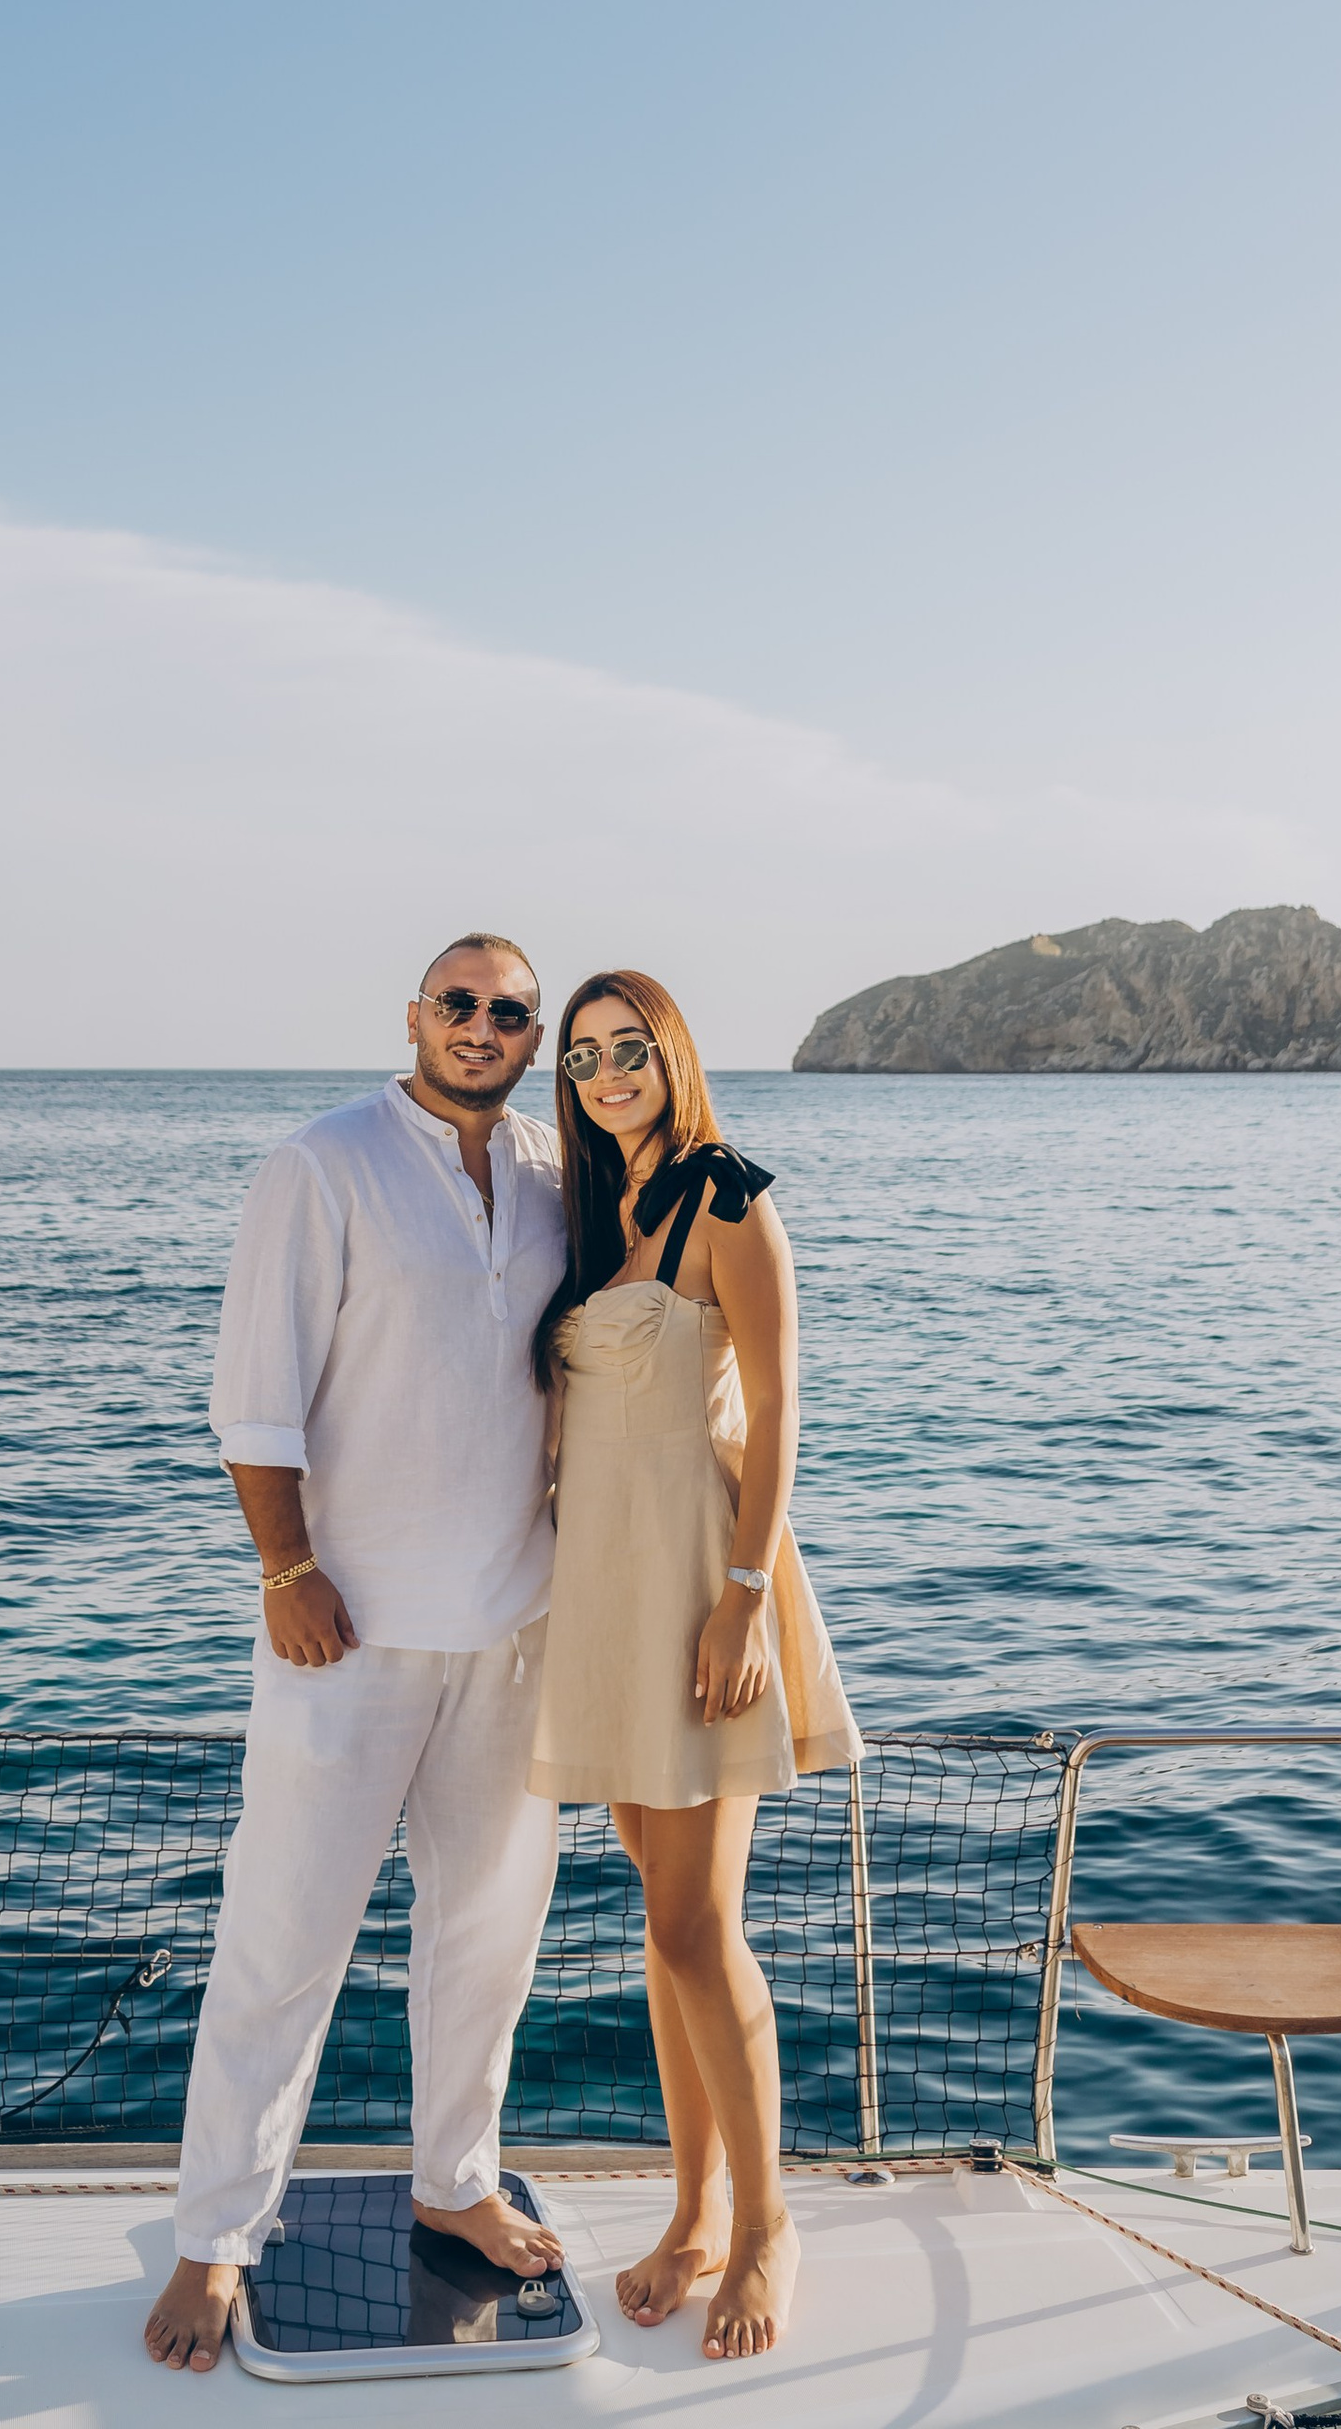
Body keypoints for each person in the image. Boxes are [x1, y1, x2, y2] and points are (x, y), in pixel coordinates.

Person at [143, 936, 572, 2375]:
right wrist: (287, 1566)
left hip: (517, 1629)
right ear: (415, 1017)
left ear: (531, 1037)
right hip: (350, 1631)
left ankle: (456, 2183)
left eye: (511, 1011)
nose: (482, 1025)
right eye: (460, 1002)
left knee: (488, 1941)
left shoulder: (560, 1182)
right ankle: (216, 2238)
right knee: (283, 1937)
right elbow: (252, 1402)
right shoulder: (319, 1166)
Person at [525, 968, 858, 2364]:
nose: (608, 1074)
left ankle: (770, 2222)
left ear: (673, 1058)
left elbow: (780, 1407)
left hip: (700, 1591)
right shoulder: (589, 1214)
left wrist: (736, 1603)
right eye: (586, 1055)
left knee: (693, 1928)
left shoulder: (730, 1199)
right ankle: (695, 2213)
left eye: (631, 1050)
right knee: (664, 1939)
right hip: (602, 1601)